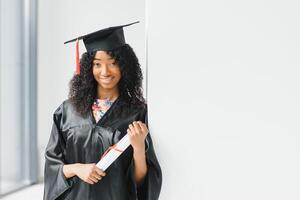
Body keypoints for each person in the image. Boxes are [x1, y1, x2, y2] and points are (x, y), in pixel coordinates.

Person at [43, 21, 162, 200]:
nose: (105, 71)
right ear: (88, 68)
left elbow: (141, 182)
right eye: (97, 64)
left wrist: (138, 147)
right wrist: (78, 169)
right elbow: (52, 167)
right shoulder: (67, 111)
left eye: (113, 63)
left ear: (124, 66)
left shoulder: (136, 112)